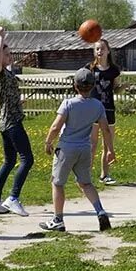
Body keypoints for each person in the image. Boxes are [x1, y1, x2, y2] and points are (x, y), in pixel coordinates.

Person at [40, 68, 115, 232]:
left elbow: (55, 126)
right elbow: (105, 129)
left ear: (75, 85)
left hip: (66, 148)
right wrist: (110, 149)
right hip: (84, 148)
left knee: (57, 183)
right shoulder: (97, 106)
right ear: (93, 86)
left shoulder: (68, 104)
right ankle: (100, 211)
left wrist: (48, 142)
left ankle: (58, 219)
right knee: (86, 183)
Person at [0, 27, 32, 217]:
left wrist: (18, 102)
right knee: (27, 159)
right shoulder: (0, 72)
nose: (10, 56)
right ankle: (13, 198)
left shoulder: (8, 73)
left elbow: (7, 97)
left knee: (9, 161)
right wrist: (0, 37)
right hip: (12, 123)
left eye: (9, 53)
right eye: (7, 53)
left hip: (6, 121)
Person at [89, 38, 120, 185]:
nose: (100, 51)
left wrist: (123, 87)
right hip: (94, 109)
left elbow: (115, 88)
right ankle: (86, 175)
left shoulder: (114, 70)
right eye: (97, 49)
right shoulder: (90, 69)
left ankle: (104, 175)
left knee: (107, 144)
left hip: (108, 109)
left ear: (108, 51)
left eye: (102, 48)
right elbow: (83, 86)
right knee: (92, 144)